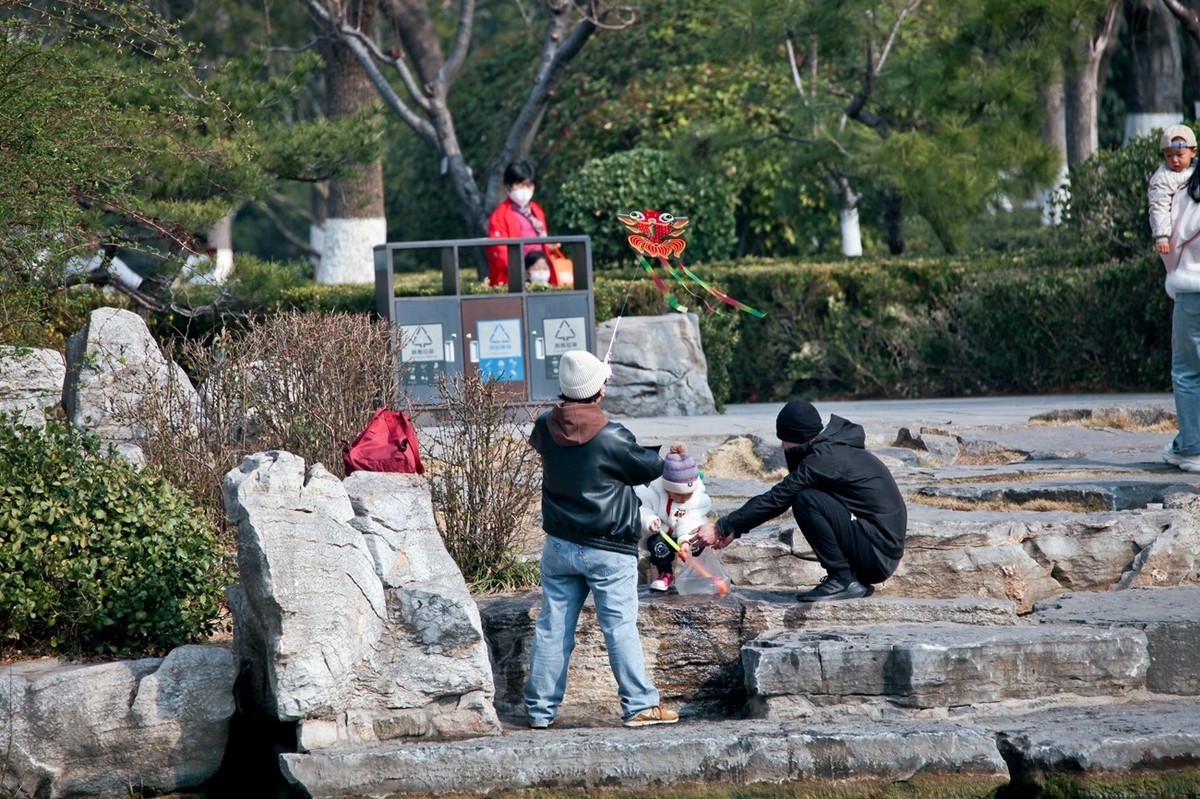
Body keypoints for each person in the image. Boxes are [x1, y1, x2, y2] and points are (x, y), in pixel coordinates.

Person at [524, 349, 679, 729]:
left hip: (559, 545)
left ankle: (539, 711)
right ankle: (640, 706)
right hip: (608, 549)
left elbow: (556, 435)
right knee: (619, 627)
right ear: (599, 389)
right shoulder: (612, 435)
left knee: (552, 628)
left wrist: (593, 384)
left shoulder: (545, 425)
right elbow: (650, 467)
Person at [691, 400, 907, 602]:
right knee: (808, 495)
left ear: (794, 436)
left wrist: (721, 527)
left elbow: (778, 498)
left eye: (783, 439)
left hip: (877, 553)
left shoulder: (824, 457)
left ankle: (842, 579)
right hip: (878, 549)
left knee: (806, 499)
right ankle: (849, 579)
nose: (783, 446)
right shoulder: (832, 448)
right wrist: (733, 529)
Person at [1159, 146, 1200, 472]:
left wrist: (1173, 272)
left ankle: (1191, 449)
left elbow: (1170, 245)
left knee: (1187, 372)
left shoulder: (1187, 194)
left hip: (1191, 291)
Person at [635, 442, 713, 592]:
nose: (683, 499)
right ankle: (665, 573)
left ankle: (698, 573)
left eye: (687, 495)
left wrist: (686, 541)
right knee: (657, 544)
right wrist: (650, 520)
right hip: (663, 532)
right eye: (678, 495)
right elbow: (642, 508)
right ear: (667, 487)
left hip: (685, 532)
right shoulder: (652, 491)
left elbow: (692, 519)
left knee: (698, 545)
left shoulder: (696, 498)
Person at [487, 160, 551, 287]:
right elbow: (501, 253)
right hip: (513, 279)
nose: (525, 189)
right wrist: (520, 273)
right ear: (508, 186)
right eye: (520, 185)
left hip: (540, 275)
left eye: (529, 185)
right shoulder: (499, 216)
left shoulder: (537, 211)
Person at [1149, 124, 1198, 255]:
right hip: (1177, 235)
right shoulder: (1163, 178)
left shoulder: (1196, 168)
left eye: (1179, 155)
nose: (1174, 160)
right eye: (1169, 156)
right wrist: (1161, 237)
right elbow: (1158, 205)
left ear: (1193, 152)